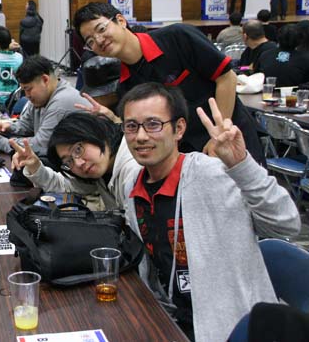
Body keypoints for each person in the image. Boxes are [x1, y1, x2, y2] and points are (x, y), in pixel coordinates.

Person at [116, 83, 299, 342]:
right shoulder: (132, 185)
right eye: (132, 126)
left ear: (179, 129)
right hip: (169, 321)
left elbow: (287, 223)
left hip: (230, 328)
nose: (141, 136)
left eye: (153, 124)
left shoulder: (212, 174)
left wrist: (242, 165)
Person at [73, 2, 265, 165]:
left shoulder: (178, 37)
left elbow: (226, 78)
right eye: (90, 41)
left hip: (233, 139)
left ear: (121, 21)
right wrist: (112, 117)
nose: (99, 40)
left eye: (101, 29)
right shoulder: (126, 86)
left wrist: (219, 134)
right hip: (191, 158)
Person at [11, 110, 139, 212]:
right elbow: (64, 185)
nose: (79, 163)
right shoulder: (103, 168)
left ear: (96, 133)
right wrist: (35, 166)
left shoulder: (133, 171)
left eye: (78, 149)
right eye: (68, 161)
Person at [0, 55, 90, 157]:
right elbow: (26, 125)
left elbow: (40, 146)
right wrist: (7, 128)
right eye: (24, 90)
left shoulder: (61, 102)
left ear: (45, 80)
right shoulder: (42, 97)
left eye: (28, 89)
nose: (27, 95)